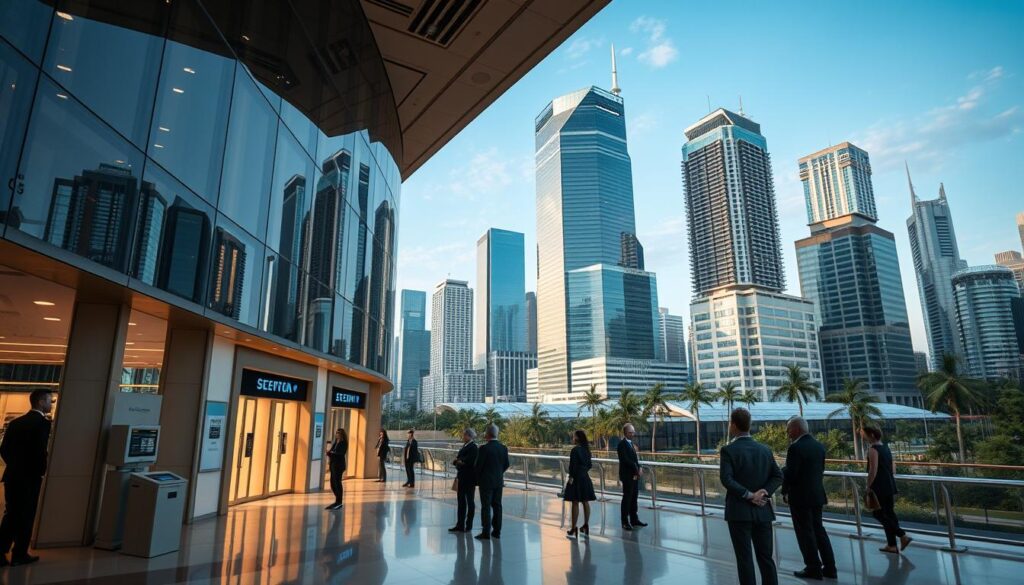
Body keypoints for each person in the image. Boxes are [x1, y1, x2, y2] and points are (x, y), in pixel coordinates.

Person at [720, 407, 783, 585]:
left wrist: (749, 495)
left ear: (733, 425)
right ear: (749, 425)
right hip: (763, 511)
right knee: (766, 558)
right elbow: (778, 476)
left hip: (739, 513)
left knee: (744, 558)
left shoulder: (728, 450)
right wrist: (764, 492)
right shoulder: (764, 449)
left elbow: (727, 479)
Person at [0, 389, 54, 567]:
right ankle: (20, 553)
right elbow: (40, 451)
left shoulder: (16, 423)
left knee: (11, 513)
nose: (50, 404)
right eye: (49, 400)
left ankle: (1, 551)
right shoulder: (42, 424)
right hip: (30, 478)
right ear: (40, 401)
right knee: (27, 515)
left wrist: (15, 465)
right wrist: (40, 470)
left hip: (12, 475)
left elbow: (4, 450)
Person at [781, 416, 836, 579]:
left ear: (797, 429)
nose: (788, 433)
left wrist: (784, 488)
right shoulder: (819, 446)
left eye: (789, 429)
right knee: (819, 530)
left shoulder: (795, 448)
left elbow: (791, 473)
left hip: (800, 497)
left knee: (805, 532)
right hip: (817, 495)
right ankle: (830, 567)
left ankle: (813, 567)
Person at [863, 425, 911, 554]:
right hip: (889, 484)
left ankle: (902, 535)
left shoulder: (873, 450)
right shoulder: (885, 447)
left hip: (879, 486)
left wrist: (868, 486)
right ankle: (892, 545)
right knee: (889, 513)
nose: (863, 437)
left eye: (865, 434)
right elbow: (893, 468)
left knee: (878, 514)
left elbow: (873, 470)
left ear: (871, 435)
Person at [474, 423, 509, 540]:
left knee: (486, 507)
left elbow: (478, 466)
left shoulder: (484, 449)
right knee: (497, 506)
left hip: (486, 482)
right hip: (498, 481)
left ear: (487, 434)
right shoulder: (503, 448)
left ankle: (486, 532)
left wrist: (478, 478)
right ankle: (497, 531)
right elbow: (506, 464)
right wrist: (499, 473)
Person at [564, 429, 596, 538]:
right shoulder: (587, 450)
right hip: (585, 478)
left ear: (577, 438)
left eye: (573, 436)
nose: (572, 438)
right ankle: (586, 525)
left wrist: (571, 477)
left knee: (575, 502)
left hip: (576, 479)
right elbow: (590, 465)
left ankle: (573, 528)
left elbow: (572, 467)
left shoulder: (575, 450)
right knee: (585, 501)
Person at [616, 423, 647, 531]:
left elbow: (635, 460)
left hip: (634, 475)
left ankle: (634, 519)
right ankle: (625, 521)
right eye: (630, 432)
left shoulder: (631, 444)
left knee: (634, 498)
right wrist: (635, 468)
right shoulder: (621, 445)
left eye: (633, 432)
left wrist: (639, 468)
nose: (632, 434)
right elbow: (625, 460)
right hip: (627, 476)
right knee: (627, 498)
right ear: (625, 433)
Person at [450, 428, 479, 533]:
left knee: (470, 501)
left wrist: (458, 461)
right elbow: (460, 459)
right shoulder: (466, 446)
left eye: (464, 435)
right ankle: (460, 524)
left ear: (468, 436)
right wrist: (458, 461)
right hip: (462, 477)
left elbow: (469, 462)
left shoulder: (473, 447)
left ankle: (468, 525)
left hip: (469, 478)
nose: (463, 437)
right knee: (461, 501)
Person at [325, 428, 348, 510]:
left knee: (337, 482)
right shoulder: (335, 442)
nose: (337, 434)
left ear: (342, 434)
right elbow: (332, 451)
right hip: (333, 464)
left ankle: (339, 501)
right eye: (336, 433)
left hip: (339, 465)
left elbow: (341, 453)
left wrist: (332, 453)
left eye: (339, 433)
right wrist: (329, 453)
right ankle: (337, 500)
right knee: (332, 483)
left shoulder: (343, 443)